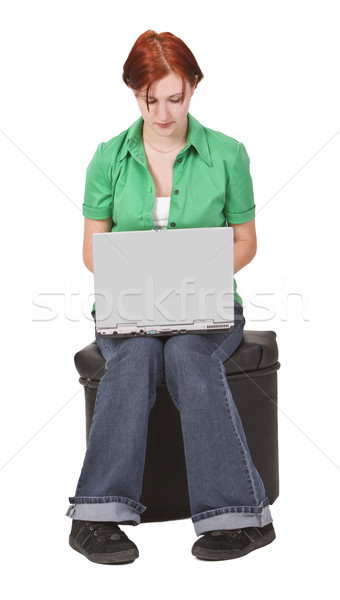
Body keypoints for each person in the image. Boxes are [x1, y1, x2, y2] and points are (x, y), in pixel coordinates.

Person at [66, 30, 276, 564]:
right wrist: (144, 277)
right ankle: (96, 517)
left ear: (194, 86)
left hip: (207, 305)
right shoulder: (108, 158)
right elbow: (93, 250)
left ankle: (241, 519)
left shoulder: (228, 154)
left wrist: (196, 273)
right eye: (148, 99)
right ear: (134, 93)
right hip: (130, 306)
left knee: (187, 353)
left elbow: (246, 241)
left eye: (174, 98)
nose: (162, 113)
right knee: (134, 359)